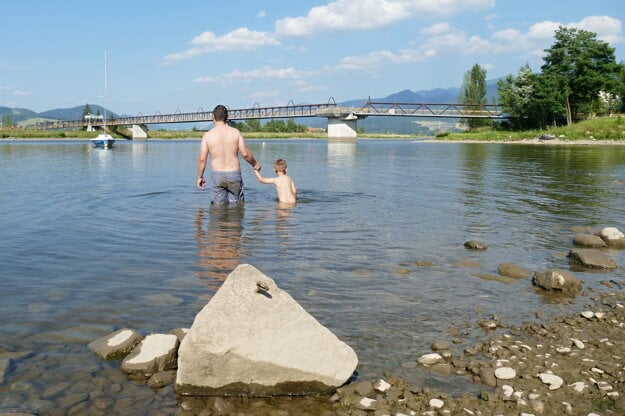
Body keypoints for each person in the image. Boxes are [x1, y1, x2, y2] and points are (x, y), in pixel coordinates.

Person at [197, 104, 261, 204]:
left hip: (217, 175)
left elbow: (202, 159)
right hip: (234, 174)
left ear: (213, 117)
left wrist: (200, 176)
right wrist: (255, 164)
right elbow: (245, 153)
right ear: (227, 117)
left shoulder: (207, 136)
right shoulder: (235, 132)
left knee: (218, 210)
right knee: (237, 208)